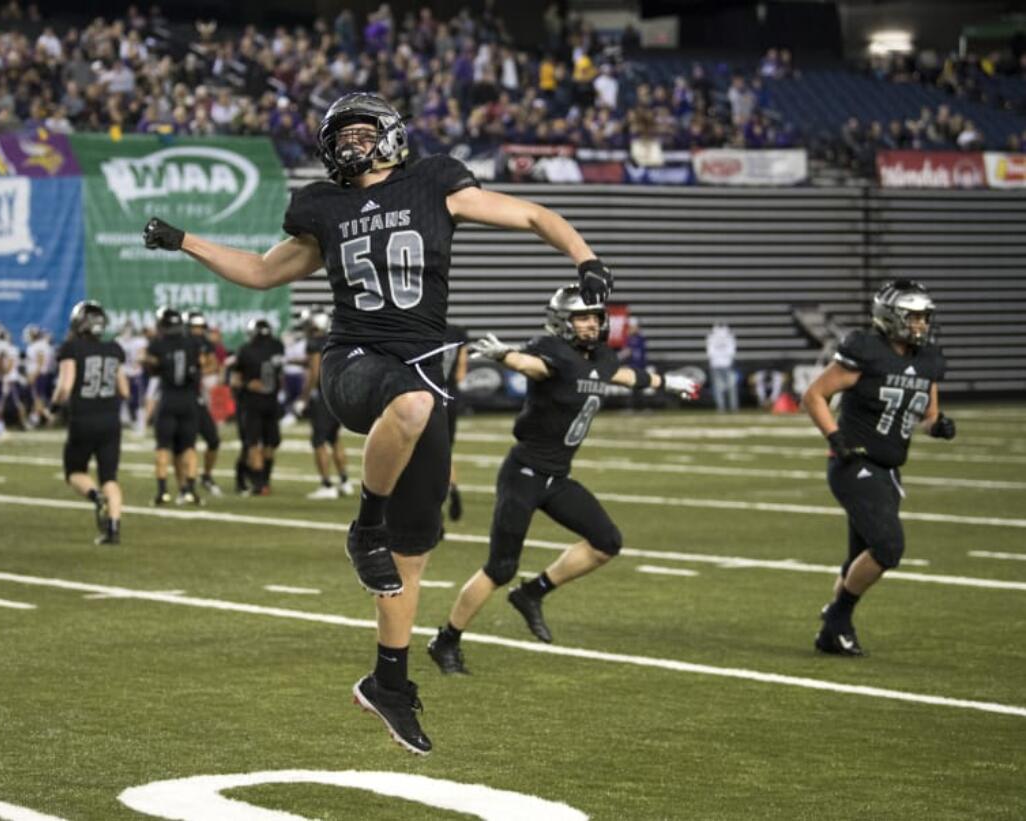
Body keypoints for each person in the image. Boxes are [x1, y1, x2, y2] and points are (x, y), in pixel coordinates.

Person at [143, 91, 614, 755]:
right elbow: (260, 271)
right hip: (356, 362)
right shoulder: (323, 206)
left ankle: (389, 681)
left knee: (411, 554)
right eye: (342, 134)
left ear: (390, 135)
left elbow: (534, 213)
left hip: (420, 369)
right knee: (412, 410)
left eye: (363, 131)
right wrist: (183, 240)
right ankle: (363, 522)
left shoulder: (435, 182)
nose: (352, 143)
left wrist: (585, 259)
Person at [427, 286, 699, 674]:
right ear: (562, 321)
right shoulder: (551, 353)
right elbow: (533, 366)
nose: (591, 324)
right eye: (581, 318)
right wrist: (506, 355)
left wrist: (665, 383)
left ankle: (533, 592)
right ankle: (446, 641)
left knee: (607, 542)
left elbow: (622, 375)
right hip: (523, 474)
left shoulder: (602, 357)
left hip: (557, 477)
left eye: (594, 317)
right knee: (500, 567)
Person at [802, 279, 954, 657]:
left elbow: (928, 414)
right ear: (891, 317)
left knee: (860, 556)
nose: (921, 324)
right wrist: (834, 437)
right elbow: (814, 395)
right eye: (913, 317)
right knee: (888, 547)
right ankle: (838, 617)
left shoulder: (928, 359)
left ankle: (831, 632)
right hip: (855, 462)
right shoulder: (867, 352)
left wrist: (938, 426)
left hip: (888, 470)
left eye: (924, 317)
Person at [51, 300, 129, 545]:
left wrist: (54, 406)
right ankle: (113, 528)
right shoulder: (114, 348)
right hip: (110, 420)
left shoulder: (71, 348)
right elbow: (125, 390)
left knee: (74, 471)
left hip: (83, 418)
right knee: (110, 477)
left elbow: (65, 385)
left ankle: (96, 497)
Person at [145, 306, 202, 506]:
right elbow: (200, 365)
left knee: (162, 447)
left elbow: (151, 365)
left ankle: (162, 492)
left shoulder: (158, 344)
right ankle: (190, 491)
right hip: (188, 399)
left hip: (168, 398)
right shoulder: (192, 342)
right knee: (189, 447)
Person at [297, 307, 352, 499]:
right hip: (338, 394)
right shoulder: (335, 340)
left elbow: (315, 371)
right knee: (334, 438)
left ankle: (327, 484)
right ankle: (345, 481)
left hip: (322, 397)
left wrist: (303, 398)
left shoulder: (313, 343)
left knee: (319, 441)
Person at [231, 317, 284, 496]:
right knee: (263, 444)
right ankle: (261, 482)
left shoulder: (245, 350)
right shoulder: (277, 346)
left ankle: (260, 482)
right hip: (263, 402)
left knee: (255, 444)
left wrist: (246, 384)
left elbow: (235, 380)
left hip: (254, 402)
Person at [185, 310, 223, 497]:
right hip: (182, 398)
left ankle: (206, 476)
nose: (198, 331)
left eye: (200, 327)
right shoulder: (180, 344)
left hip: (198, 398)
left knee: (213, 440)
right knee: (185, 444)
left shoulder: (205, 344)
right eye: (194, 327)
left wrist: (198, 368)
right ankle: (185, 485)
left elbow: (214, 365)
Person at [442, 322, 469, 520]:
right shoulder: (456, 332)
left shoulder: (421, 327)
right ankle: (452, 487)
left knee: (419, 456)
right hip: (450, 397)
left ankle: (433, 509)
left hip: (426, 396)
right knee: (445, 452)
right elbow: (461, 372)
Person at [706, 321, 738, 412]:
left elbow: (710, 352)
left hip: (715, 364)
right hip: (727, 364)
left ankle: (721, 407)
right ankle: (733, 407)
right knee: (731, 387)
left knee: (718, 388)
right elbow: (732, 352)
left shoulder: (711, 336)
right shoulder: (729, 336)